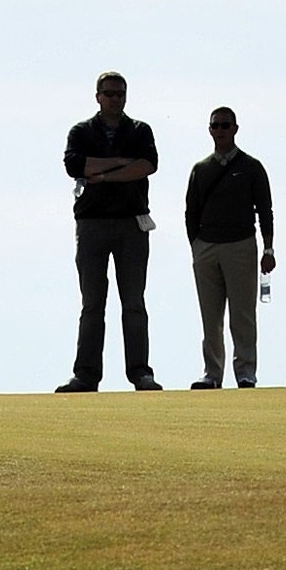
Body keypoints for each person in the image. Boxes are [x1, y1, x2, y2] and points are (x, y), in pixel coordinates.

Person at [57, 72, 161, 393]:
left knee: (133, 303)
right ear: (98, 96)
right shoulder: (82, 132)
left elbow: (147, 165)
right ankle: (86, 375)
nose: (115, 99)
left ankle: (140, 373)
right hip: (92, 225)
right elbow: (75, 165)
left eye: (120, 93)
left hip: (132, 224)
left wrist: (101, 174)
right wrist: (118, 163)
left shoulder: (139, 131)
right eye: (109, 93)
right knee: (92, 304)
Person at [184, 107, 276, 389]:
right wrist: (197, 246)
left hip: (241, 245)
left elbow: (265, 210)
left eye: (226, 125)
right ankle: (212, 374)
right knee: (211, 317)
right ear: (210, 130)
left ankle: (246, 372)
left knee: (242, 315)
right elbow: (191, 211)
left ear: (235, 129)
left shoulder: (251, 167)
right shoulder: (201, 169)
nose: (221, 130)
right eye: (216, 126)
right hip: (207, 248)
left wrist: (268, 249)